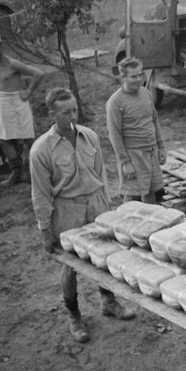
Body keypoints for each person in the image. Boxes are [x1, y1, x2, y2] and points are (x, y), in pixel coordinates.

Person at [30, 88, 135, 343]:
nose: (72, 116)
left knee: (104, 258)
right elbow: (41, 194)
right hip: (67, 210)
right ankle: (74, 316)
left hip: (96, 205)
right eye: (66, 112)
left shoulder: (89, 136)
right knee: (70, 267)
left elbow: (101, 175)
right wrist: (45, 230)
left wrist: (108, 209)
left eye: (75, 109)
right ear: (51, 113)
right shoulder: (41, 150)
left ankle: (108, 301)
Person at [0, 33, 45, 186]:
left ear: (1, 47)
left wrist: (28, 91)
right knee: (2, 139)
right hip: (2, 102)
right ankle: (17, 172)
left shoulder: (12, 64)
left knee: (28, 139)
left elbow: (38, 74)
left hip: (17, 102)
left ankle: (37, 171)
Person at [106, 57, 167, 203]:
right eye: (134, 76)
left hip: (151, 152)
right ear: (123, 77)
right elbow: (114, 135)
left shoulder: (146, 93)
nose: (138, 79)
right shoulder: (115, 102)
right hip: (133, 156)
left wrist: (161, 147)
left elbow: (154, 121)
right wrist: (125, 162)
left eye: (140, 75)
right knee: (132, 195)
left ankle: (151, 224)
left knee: (151, 192)